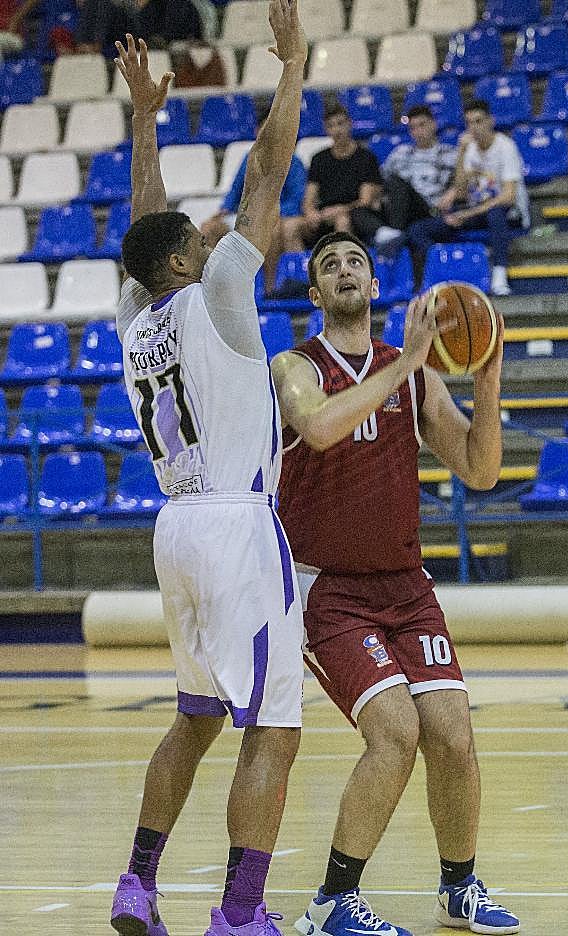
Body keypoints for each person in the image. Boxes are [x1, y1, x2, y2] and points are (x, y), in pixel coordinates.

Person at [108, 4, 308, 934]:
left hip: (173, 530)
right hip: (235, 525)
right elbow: (268, 167)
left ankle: (137, 884)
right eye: (201, 234)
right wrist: (294, 66)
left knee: (193, 717)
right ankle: (239, 912)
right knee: (272, 725)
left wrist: (146, 119)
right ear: (190, 258)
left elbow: (144, 224)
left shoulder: (133, 316)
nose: (215, 234)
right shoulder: (221, 290)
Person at [270, 231, 521, 935]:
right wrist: (409, 360)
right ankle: (331, 902)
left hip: (406, 587)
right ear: (316, 294)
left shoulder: (416, 377)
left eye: (356, 261)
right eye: (329, 266)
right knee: (395, 732)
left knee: (452, 734)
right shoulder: (295, 366)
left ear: (375, 286)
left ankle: (457, 886)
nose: (345, 270)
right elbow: (318, 428)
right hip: (330, 592)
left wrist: (489, 375)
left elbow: (480, 470)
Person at [408, 99, 530, 297]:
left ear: (491, 121)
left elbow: (508, 197)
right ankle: (447, 266)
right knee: (418, 230)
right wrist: (462, 153)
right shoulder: (469, 148)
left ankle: (500, 273)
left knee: (495, 214)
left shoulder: (506, 147)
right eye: (469, 123)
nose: (474, 127)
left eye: (479, 121)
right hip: (475, 210)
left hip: (509, 213)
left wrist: (467, 213)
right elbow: (462, 191)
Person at [201, 106, 307, 292]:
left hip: (278, 216)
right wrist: (223, 211)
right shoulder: (249, 160)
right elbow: (235, 192)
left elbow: (296, 199)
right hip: (248, 216)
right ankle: (211, 289)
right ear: (258, 132)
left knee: (271, 229)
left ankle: (270, 288)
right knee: (208, 228)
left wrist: (268, 213)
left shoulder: (294, 162)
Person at [350, 105, 457, 256]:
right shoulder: (399, 153)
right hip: (397, 209)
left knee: (397, 182)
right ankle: (389, 232)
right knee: (357, 210)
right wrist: (375, 197)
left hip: (428, 209)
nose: (418, 132)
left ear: (433, 124)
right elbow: (380, 183)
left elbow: (462, 183)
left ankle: (394, 232)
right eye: (413, 128)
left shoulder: (450, 153)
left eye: (422, 125)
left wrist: (453, 191)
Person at [284, 103, 381, 252]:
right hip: (323, 215)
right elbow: (308, 199)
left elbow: (365, 201)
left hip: (350, 214)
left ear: (350, 124)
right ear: (326, 129)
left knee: (342, 221)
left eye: (340, 124)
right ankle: (303, 273)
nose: (336, 130)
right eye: (331, 126)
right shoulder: (319, 159)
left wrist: (340, 209)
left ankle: (342, 272)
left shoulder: (366, 158)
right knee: (290, 227)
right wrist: (311, 213)